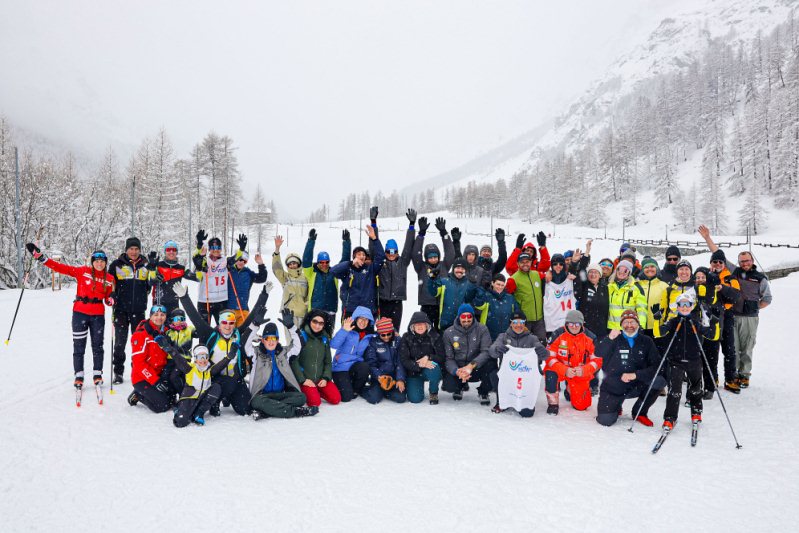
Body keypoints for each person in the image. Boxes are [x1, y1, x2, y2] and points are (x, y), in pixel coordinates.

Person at [171, 280, 266, 417]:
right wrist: (184, 297)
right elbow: (194, 316)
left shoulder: (238, 334)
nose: (228, 326)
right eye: (224, 323)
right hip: (215, 379)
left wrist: (264, 295)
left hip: (235, 379)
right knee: (224, 384)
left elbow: (252, 317)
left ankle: (227, 396)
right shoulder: (210, 334)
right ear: (219, 323)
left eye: (231, 323)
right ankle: (216, 400)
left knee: (244, 409)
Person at [26, 245, 115, 388]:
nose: (99, 263)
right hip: (80, 313)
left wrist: (111, 299)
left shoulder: (109, 278)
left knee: (97, 346)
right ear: (92, 262)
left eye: (102, 261)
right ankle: (78, 375)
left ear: (105, 263)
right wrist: (43, 258)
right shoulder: (82, 272)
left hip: (98, 315)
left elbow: (108, 298)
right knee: (79, 346)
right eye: (97, 261)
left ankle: (97, 374)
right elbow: (61, 268)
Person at [698, 225, 772, 389]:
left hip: (749, 317)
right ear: (738, 262)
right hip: (731, 315)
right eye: (742, 261)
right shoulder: (735, 271)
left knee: (746, 347)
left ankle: (743, 375)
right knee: (733, 348)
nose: (745, 263)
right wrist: (707, 238)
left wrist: (754, 307)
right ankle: (730, 376)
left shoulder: (760, 278)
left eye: (747, 260)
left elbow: (767, 298)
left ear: (752, 261)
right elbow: (717, 255)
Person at [654, 290, 719, 431]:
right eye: (681, 305)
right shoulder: (673, 321)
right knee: (674, 391)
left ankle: (696, 413)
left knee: (695, 389)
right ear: (677, 307)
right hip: (676, 361)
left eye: (687, 305)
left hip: (694, 360)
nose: (684, 307)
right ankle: (670, 418)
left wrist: (715, 324)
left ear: (691, 306)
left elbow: (712, 336)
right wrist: (656, 320)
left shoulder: (695, 321)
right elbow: (658, 333)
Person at [595, 309, 667, 427]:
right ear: (621, 324)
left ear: (638, 323)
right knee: (605, 420)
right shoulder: (614, 338)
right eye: (626, 322)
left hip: (637, 384)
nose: (629, 325)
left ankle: (640, 412)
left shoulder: (646, 341)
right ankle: (616, 405)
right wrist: (609, 338)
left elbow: (657, 366)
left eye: (632, 322)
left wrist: (636, 375)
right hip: (613, 386)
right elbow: (598, 353)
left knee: (659, 381)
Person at [245, 311, 319, 420]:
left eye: (274, 338)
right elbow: (245, 344)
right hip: (262, 396)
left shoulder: (284, 353)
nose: (271, 342)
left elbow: (299, 345)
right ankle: (296, 412)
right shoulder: (256, 354)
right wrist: (255, 325)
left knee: (301, 397)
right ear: (262, 340)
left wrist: (291, 327)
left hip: (280, 395)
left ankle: (267, 411)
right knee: (256, 402)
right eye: (267, 338)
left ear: (278, 340)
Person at [489, 310, 548, 416]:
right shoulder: (503, 337)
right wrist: (498, 348)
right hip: (509, 374)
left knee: (527, 413)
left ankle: (524, 400)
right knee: (494, 374)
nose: (518, 325)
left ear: (525, 323)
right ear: (510, 324)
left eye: (521, 322)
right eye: (515, 322)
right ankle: (501, 401)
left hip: (525, 376)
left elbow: (545, 355)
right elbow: (492, 351)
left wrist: (542, 351)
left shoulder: (532, 338)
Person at [109, 236, 150, 384]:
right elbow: (109, 284)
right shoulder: (116, 265)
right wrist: (111, 293)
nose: (134, 252)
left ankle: (137, 369)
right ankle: (118, 372)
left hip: (139, 311)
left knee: (138, 342)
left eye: (136, 249)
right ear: (126, 250)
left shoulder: (146, 265)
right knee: (120, 342)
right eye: (131, 249)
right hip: (120, 310)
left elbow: (149, 285)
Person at [155, 342, 226, 427]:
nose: (203, 360)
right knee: (180, 422)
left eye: (205, 357)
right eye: (200, 357)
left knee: (216, 387)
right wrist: (169, 348)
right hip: (190, 398)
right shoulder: (190, 368)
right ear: (195, 358)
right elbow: (178, 358)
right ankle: (179, 408)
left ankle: (199, 413)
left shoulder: (209, 370)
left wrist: (230, 356)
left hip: (202, 398)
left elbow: (221, 365)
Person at [694, 266, 739, 398]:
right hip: (696, 330)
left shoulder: (716, 289)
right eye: (697, 277)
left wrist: (722, 288)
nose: (700, 280)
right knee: (696, 361)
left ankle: (710, 387)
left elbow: (734, 297)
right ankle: (697, 386)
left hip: (712, 329)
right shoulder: (691, 290)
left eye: (703, 277)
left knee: (711, 360)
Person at [543, 310, 601, 415]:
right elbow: (548, 357)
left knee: (582, 406)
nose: (574, 326)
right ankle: (553, 403)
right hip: (561, 369)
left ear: (582, 324)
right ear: (566, 324)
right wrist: (564, 370)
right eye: (571, 323)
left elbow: (597, 360)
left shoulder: (591, 337)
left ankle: (570, 389)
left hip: (579, 372)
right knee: (550, 372)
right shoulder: (557, 334)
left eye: (577, 324)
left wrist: (584, 370)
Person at [705, 246, 743, 393]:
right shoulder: (706, 276)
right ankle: (712, 377)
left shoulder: (730, 278)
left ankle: (730, 378)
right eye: (715, 262)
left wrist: (723, 288)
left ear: (724, 264)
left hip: (726, 315)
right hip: (711, 316)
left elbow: (736, 295)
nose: (718, 264)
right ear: (711, 263)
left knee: (729, 348)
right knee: (712, 349)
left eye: (720, 262)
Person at [441, 304, 495, 404]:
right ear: (458, 317)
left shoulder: (482, 329)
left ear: (473, 316)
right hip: (460, 368)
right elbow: (449, 358)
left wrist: (471, 366)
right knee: (449, 386)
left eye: (469, 316)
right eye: (463, 316)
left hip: (476, 367)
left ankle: (483, 391)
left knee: (492, 365)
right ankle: (459, 387)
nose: (466, 319)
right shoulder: (449, 332)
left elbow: (486, 352)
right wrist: (457, 371)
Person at [373, 208, 416, 330]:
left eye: (394, 251)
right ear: (385, 251)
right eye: (388, 251)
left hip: (397, 302)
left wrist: (411, 226)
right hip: (383, 301)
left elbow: (408, 245)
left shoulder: (402, 262)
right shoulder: (381, 263)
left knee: (395, 330)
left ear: (397, 252)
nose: (391, 254)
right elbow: (373, 246)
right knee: (383, 330)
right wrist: (373, 223)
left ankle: (395, 348)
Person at [331, 223, 386, 318]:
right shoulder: (348, 269)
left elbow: (381, 257)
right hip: (350, 311)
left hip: (368, 311)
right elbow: (333, 271)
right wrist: (350, 263)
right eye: (359, 254)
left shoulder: (371, 269)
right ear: (354, 256)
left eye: (364, 254)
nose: (362, 256)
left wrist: (374, 239)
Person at [411, 216, 456, 329]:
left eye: (435, 256)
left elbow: (450, 252)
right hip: (427, 306)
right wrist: (421, 234)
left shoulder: (444, 265)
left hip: (443, 305)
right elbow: (416, 254)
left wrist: (443, 232)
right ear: (426, 258)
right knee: (428, 333)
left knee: (442, 332)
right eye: (430, 257)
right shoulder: (421, 267)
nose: (433, 259)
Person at [126, 304, 173, 413]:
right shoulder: (141, 335)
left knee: (172, 398)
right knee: (163, 406)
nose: (159, 318)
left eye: (162, 315)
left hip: (159, 374)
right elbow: (138, 364)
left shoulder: (166, 331)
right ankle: (138, 395)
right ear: (150, 316)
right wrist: (155, 381)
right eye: (156, 315)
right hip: (142, 378)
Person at [292, 310, 342, 407]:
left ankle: (316, 390)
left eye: (321, 323)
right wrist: (303, 380)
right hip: (305, 379)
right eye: (315, 321)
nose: (317, 325)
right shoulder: (301, 336)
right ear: (309, 321)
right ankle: (306, 390)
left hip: (320, 379)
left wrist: (326, 378)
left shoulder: (324, 339)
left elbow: (328, 362)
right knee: (315, 403)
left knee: (336, 399)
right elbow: (293, 361)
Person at [192, 231, 240, 328]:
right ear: (209, 249)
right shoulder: (205, 260)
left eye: (218, 248)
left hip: (221, 301)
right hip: (205, 301)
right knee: (204, 331)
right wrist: (199, 245)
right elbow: (195, 259)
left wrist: (242, 249)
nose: (216, 250)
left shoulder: (225, 261)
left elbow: (238, 257)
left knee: (225, 329)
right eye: (213, 248)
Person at [399, 311, 445, 404]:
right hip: (413, 371)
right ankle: (416, 387)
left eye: (422, 324)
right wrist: (419, 364)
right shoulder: (406, 338)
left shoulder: (435, 336)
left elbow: (441, 356)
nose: (420, 327)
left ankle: (433, 393)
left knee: (434, 367)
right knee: (415, 399)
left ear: (427, 325)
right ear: (412, 326)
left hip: (429, 368)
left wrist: (429, 357)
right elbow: (404, 360)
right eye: (417, 325)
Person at [303, 228, 351, 316]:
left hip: (330, 311)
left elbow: (345, 262)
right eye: (321, 262)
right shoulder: (311, 273)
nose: (324, 264)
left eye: (327, 262)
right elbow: (306, 260)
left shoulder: (334, 273)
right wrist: (311, 241)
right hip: (315, 311)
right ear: (318, 262)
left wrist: (346, 242)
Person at [330, 306, 374, 401]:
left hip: (355, 366)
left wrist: (394, 332)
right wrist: (344, 330)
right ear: (356, 319)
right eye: (361, 318)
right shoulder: (347, 331)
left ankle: (355, 389)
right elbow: (333, 344)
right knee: (346, 397)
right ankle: (344, 387)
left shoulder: (369, 336)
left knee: (364, 367)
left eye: (366, 319)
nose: (363, 322)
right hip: (340, 367)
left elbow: (384, 335)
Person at [362, 317, 407, 404]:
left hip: (394, 378)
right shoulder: (373, 342)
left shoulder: (398, 341)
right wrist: (380, 377)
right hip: (379, 377)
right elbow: (371, 363)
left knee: (401, 398)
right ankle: (372, 390)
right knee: (373, 399)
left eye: (389, 334)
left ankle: (384, 392)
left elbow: (400, 362)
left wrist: (400, 379)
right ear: (379, 333)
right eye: (383, 335)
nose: (386, 337)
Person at [427, 257, 478, 331]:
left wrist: (473, 286)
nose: (460, 270)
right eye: (457, 268)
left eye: (462, 268)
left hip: (462, 323)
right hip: (445, 323)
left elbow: (469, 299)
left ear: (465, 270)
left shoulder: (468, 283)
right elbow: (434, 292)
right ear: (453, 268)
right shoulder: (444, 281)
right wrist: (432, 279)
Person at [506, 252, 546, 341]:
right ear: (518, 264)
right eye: (522, 262)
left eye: (527, 261)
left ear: (531, 262)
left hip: (539, 318)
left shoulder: (537, 275)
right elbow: (508, 299)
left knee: (541, 343)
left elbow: (550, 277)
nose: (525, 264)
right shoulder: (513, 279)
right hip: (524, 320)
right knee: (524, 344)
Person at [272, 235, 309, 334]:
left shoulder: (305, 278)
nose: (292, 265)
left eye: (294, 263)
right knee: (291, 342)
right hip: (288, 314)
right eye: (290, 264)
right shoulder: (285, 277)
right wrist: (277, 249)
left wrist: (307, 304)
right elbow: (276, 268)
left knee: (302, 341)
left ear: (299, 264)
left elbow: (310, 294)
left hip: (303, 314)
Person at [146, 240, 194, 314]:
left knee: (175, 325)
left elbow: (198, 278)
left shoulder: (181, 268)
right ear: (165, 252)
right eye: (168, 250)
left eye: (174, 250)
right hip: (159, 303)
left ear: (177, 252)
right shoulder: (158, 265)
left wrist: (199, 267)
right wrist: (153, 271)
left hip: (174, 304)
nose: (171, 252)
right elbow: (151, 282)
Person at [162, 307, 198, 398]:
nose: (179, 321)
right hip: (171, 359)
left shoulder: (189, 330)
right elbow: (165, 344)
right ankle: (170, 395)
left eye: (182, 319)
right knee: (165, 375)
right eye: (176, 319)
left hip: (184, 359)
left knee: (175, 376)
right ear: (172, 320)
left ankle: (183, 395)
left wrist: (201, 320)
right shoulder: (169, 333)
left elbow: (200, 332)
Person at [226, 248, 268, 326]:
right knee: (229, 335)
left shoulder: (248, 273)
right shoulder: (228, 270)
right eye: (239, 259)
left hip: (243, 310)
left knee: (243, 335)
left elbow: (262, 278)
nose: (241, 262)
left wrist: (261, 264)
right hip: (229, 310)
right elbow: (225, 262)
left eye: (244, 261)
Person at [473, 274, 520, 341]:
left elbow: (516, 313)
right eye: (498, 284)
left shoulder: (510, 298)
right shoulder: (487, 296)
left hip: (506, 335)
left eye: (502, 285)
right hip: (488, 334)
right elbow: (478, 306)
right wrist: (480, 294)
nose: (500, 287)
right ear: (492, 283)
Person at [543, 253, 577, 339]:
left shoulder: (570, 279)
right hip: (552, 325)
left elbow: (580, 272)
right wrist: (547, 273)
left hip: (567, 324)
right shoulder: (546, 281)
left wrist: (575, 262)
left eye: (561, 264)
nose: (558, 266)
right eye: (555, 264)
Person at [607, 259, 647, 331]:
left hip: (628, 328)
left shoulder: (636, 288)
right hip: (611, 328)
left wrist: (640, 325)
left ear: (629, 272)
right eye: (619, 269)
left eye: (625, 270)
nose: (622, 272)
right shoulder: (609, 287)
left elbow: (642, 309)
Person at [637, 257, 668, 344]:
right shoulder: (636, 285)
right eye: (646, 267)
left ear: (657, 269)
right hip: (639, 327)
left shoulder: (664, 286)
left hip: (657, 327)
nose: (649, 269)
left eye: (652, 266)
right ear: (642, 270)